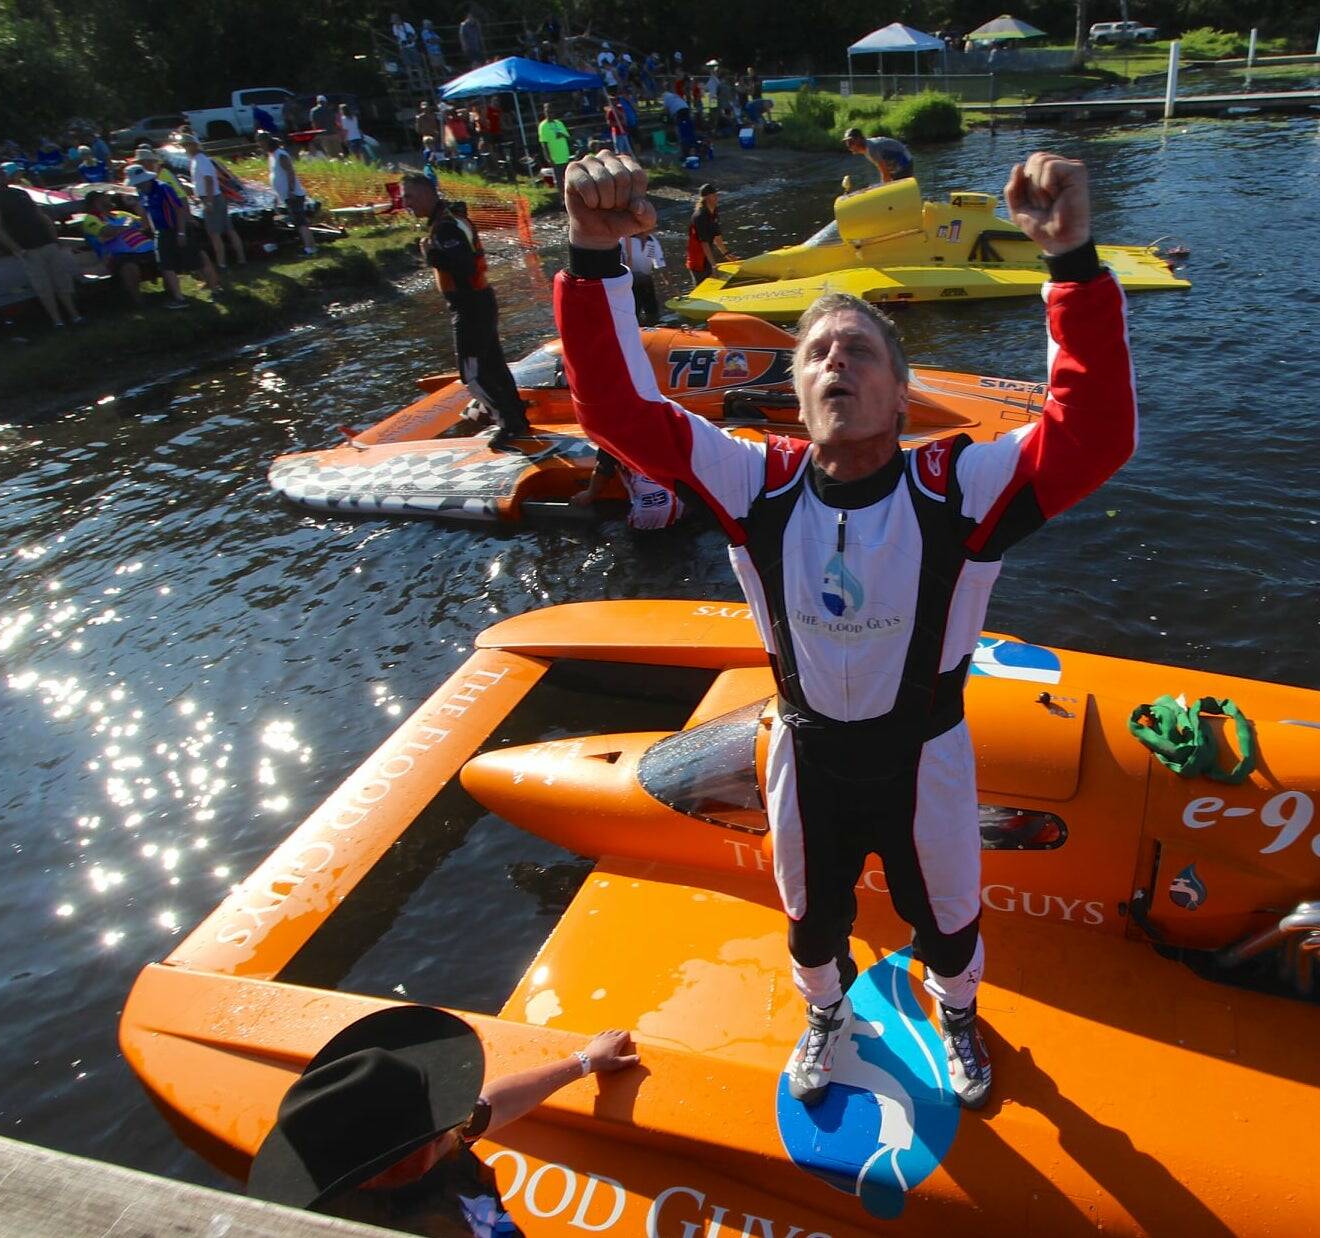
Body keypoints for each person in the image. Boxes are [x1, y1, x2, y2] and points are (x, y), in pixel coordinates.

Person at [556, 150, 1132, 1112]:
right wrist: (591, 257)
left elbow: (1095, 434)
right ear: (799, 393)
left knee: (947, 918)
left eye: (860, 350)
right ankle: (824, 1015)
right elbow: (615, 410)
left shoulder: (960, 487)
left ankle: (957, 1011)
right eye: (818, 352)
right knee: (810, 919)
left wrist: (1070, 261)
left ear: (901, 396)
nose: (836, 361)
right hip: (808, 754)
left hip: (927, 755)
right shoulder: (757, 480)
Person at [247, 1005, 638, 1235]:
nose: (457, 1122)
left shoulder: (410, 1152)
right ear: (415, 1159)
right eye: (441, 1127)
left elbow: (494, 1105)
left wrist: (584, 1061)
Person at [401, 173, 533, 451]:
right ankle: (516, 416)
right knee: (493, 365)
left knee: (472, 373)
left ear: (427, 194)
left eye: (409, 195)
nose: (405, 202)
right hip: (480, 301)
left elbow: (465, 267)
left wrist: (431, 256)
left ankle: (508, 423)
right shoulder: (449, 219)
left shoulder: (446, 227)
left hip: (470, 306)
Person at [0, 166, 81, 327]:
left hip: (47, 242)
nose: (0, 176)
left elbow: (40, 215)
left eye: (2, 172)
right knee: (43, 287)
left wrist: (54, 237)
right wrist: (17, 248)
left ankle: (75, 316)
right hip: (28, 248)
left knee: (62, 281)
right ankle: (58, 321)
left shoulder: (20, 192)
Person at [127, 163, 220, 308]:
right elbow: (148, 213)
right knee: (165, 265)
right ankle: (179, 298)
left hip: (178, 228)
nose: (139, 185)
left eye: (140, 182)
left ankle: (215, 290)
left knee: (196, 262)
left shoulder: (164, 188)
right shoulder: (142, 193)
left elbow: (179, 209)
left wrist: (181, 232)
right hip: (161, 232)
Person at [77, 191, 154, 304]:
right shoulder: (90, 219)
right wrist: (127, 226)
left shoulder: (120, 214)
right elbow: (106, 232)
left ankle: (173, 294)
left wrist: (136, 206)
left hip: (142, 248)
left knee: (162, 254)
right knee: (127, 264)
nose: (110, 198)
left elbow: (145, 225)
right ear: (97, 201)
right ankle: (139, 301)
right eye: (106, 196)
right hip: (115, 255)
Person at [182, 134, 246, 269]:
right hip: (214, 197)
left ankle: (222, 263)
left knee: (214, 233)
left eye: (187, 144)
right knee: (228, 230)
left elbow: (209, 180)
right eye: (184, 145)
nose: (185, 148)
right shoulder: (196, 160)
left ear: (195, 145)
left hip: (211, 198)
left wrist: (209, 202)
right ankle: (240, 259)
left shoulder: (201, 160)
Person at [262, 133, 317, 256]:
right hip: (285, 196)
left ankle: (309, 249)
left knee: (300, 222)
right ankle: (311, 246)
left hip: (293, 194)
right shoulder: (272, 156)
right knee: (299, 222)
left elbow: (290, 172)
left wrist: (291, 190)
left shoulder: (281, 155)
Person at [618, 228, 664, 324]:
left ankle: (654, 327)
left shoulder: (653, 241)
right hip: (630, 283)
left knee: (653, 312)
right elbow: (618, 264)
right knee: (634, 312)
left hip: (646, 281)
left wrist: (668, 281)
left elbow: (660, 265)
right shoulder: (624, 241)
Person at [685, 183, 728, 281]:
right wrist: (713, 265)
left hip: (707, 257)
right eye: (714, 195)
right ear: (707, 197)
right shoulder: (700, 216)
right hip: (698, 260)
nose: (717, 197)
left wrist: (726, 254)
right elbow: (704, 243)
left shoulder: (714, 212)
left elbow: (717, 237)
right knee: (703, 283)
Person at [843, 128, 913, 183]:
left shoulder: (871, 149)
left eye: (851, 142)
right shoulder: (867, 150)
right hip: (895, 164)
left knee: (897, 187)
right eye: (847, 143)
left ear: (859, 139)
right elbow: (883, 171)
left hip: (903, 161)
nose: (849, 146)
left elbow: (885, 174)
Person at [536, 103, 572, 171]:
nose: (549, 114)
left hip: (565, 156)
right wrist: (548, 158)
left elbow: (568, 137)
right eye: (547, 112)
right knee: (559, 180)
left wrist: (562, 135)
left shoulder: (559, 123)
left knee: (567, 179)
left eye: (551, 112)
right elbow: (544, 144)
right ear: (544, 112)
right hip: (555, 158)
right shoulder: (543, 126)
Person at [602, 89, 631, 157]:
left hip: (623, 132)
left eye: (616, 100)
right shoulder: (610, 112)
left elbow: (624, 119)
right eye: (613, 101)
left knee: (627, 149)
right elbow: (610, 123)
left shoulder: (620, 108)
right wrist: (618, 123)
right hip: (616, 133)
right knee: (619, 150)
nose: (615, 102)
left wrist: (616, 110)